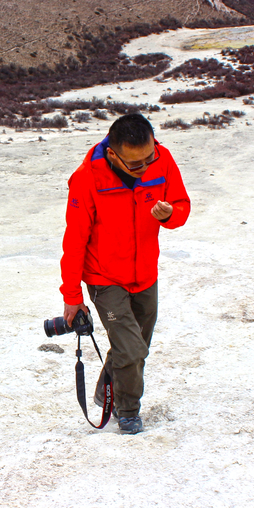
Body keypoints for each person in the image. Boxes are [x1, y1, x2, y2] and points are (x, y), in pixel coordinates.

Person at [59, 114, 190, 435]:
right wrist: (73, 297)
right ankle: (127, 410)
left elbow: (181, 205)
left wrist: (171, 214)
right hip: (105, 278)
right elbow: (74, 241)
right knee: (132, 350)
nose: (145, 167)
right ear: (113, 154)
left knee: (133, 346)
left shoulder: (162, 159)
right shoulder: (86, 179)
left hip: (145, 274)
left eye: (150, 158)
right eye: (135, 164)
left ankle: (108, 385)